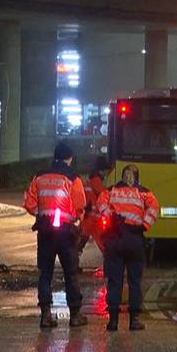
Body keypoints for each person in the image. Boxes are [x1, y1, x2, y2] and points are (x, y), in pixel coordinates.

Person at [23, 142, 88, 329]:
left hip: (45, 232)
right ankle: (75, 315)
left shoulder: (40, 176)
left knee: (45, 273)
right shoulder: (73, 178)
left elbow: (30, 203)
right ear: (69, 158)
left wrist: (41, 215)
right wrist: (76, 220)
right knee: (71, 273)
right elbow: (80, 206)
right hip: (66, 233)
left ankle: (45, 316)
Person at [97, 164, 159, 331]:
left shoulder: (111, 190)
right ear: (136, 177)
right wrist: (144, 225)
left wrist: (110, 216)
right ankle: (134, 320)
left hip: (115, 238)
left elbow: (100, 203)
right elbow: (154, 208)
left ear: (122, 176)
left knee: (114, 281)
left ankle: (113, 321)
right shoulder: (144, 192)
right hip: (134, 238)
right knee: (134, 281)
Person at [78, 156, 110, 257]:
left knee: (81, 241)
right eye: (105, 171)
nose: (106, 173)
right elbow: (104, 195)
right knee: (103, 242)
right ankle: (111, 263)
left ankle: (73, 262)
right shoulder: (96, 181)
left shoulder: (90, 180)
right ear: (101, 170)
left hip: (87, 216)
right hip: (93, 218)